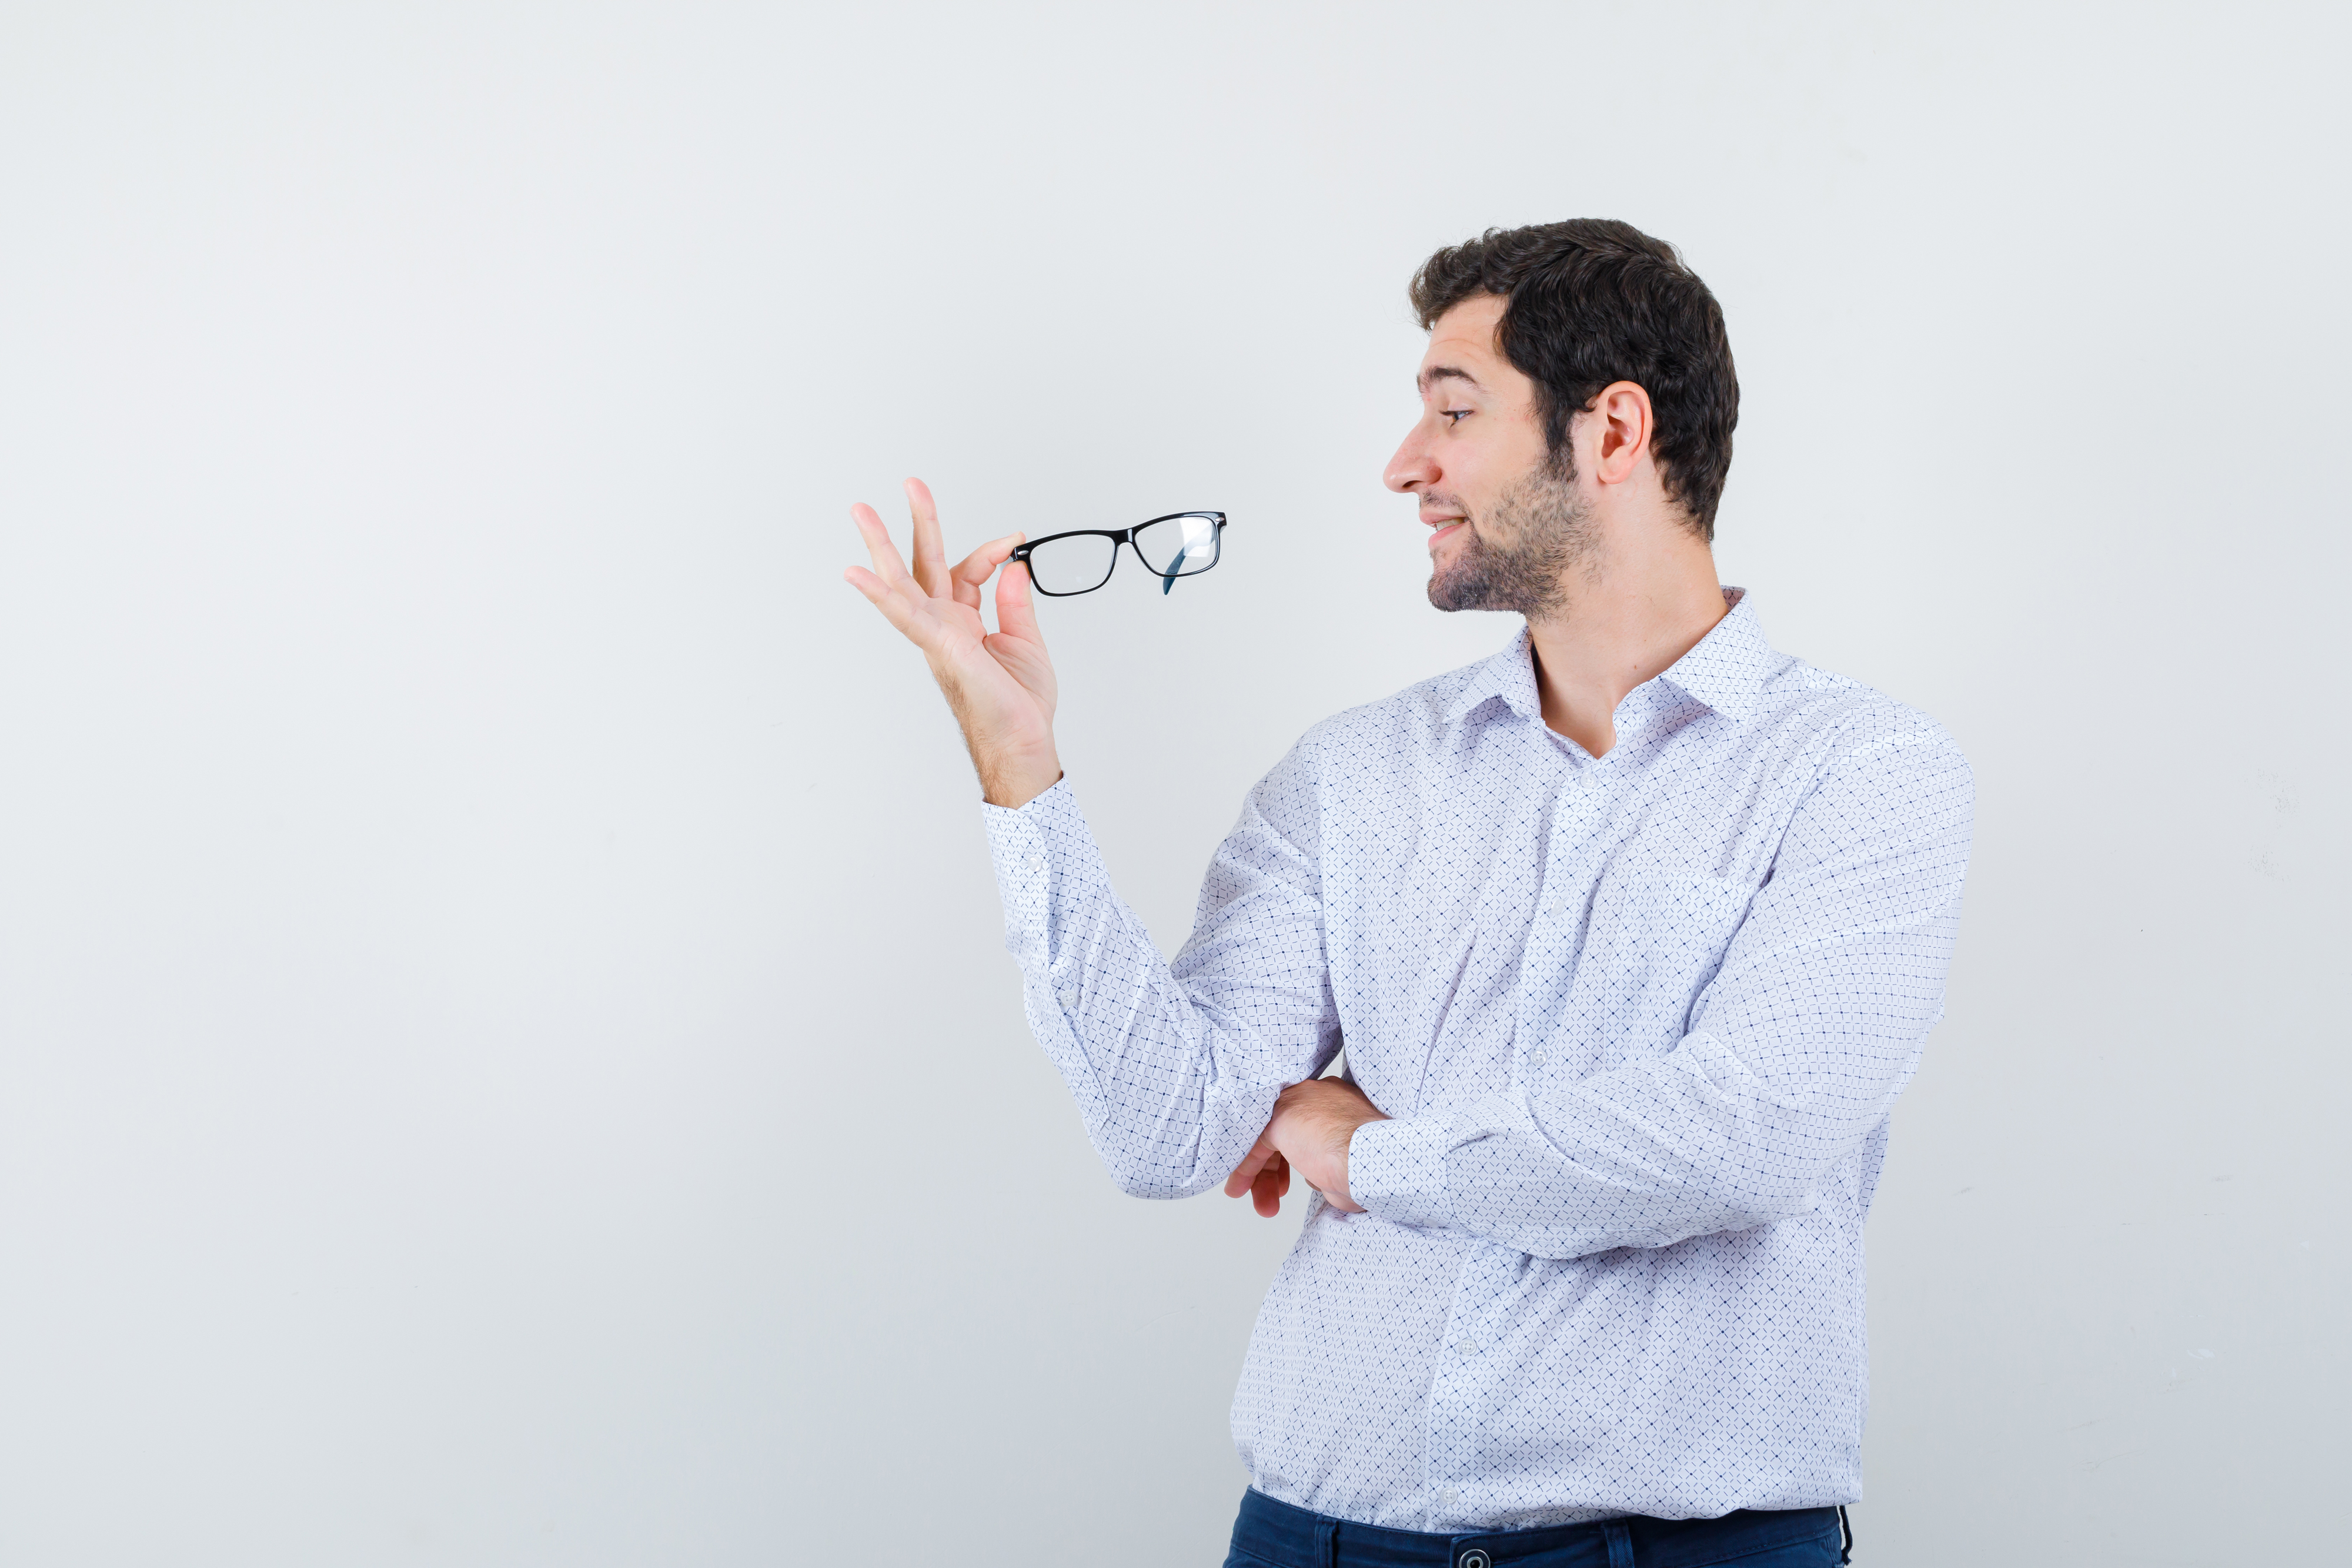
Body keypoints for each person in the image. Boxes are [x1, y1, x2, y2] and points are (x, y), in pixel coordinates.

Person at [843, 219, 1972, 1568]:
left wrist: (1363, 1150)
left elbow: (1742, 1135)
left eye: (1454, 409)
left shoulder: (1859, 768)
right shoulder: (1352, 774)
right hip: (1314, 1540)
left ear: (1612, 432)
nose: (1403, 464)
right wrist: (1019, 765)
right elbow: (1173, 1128)